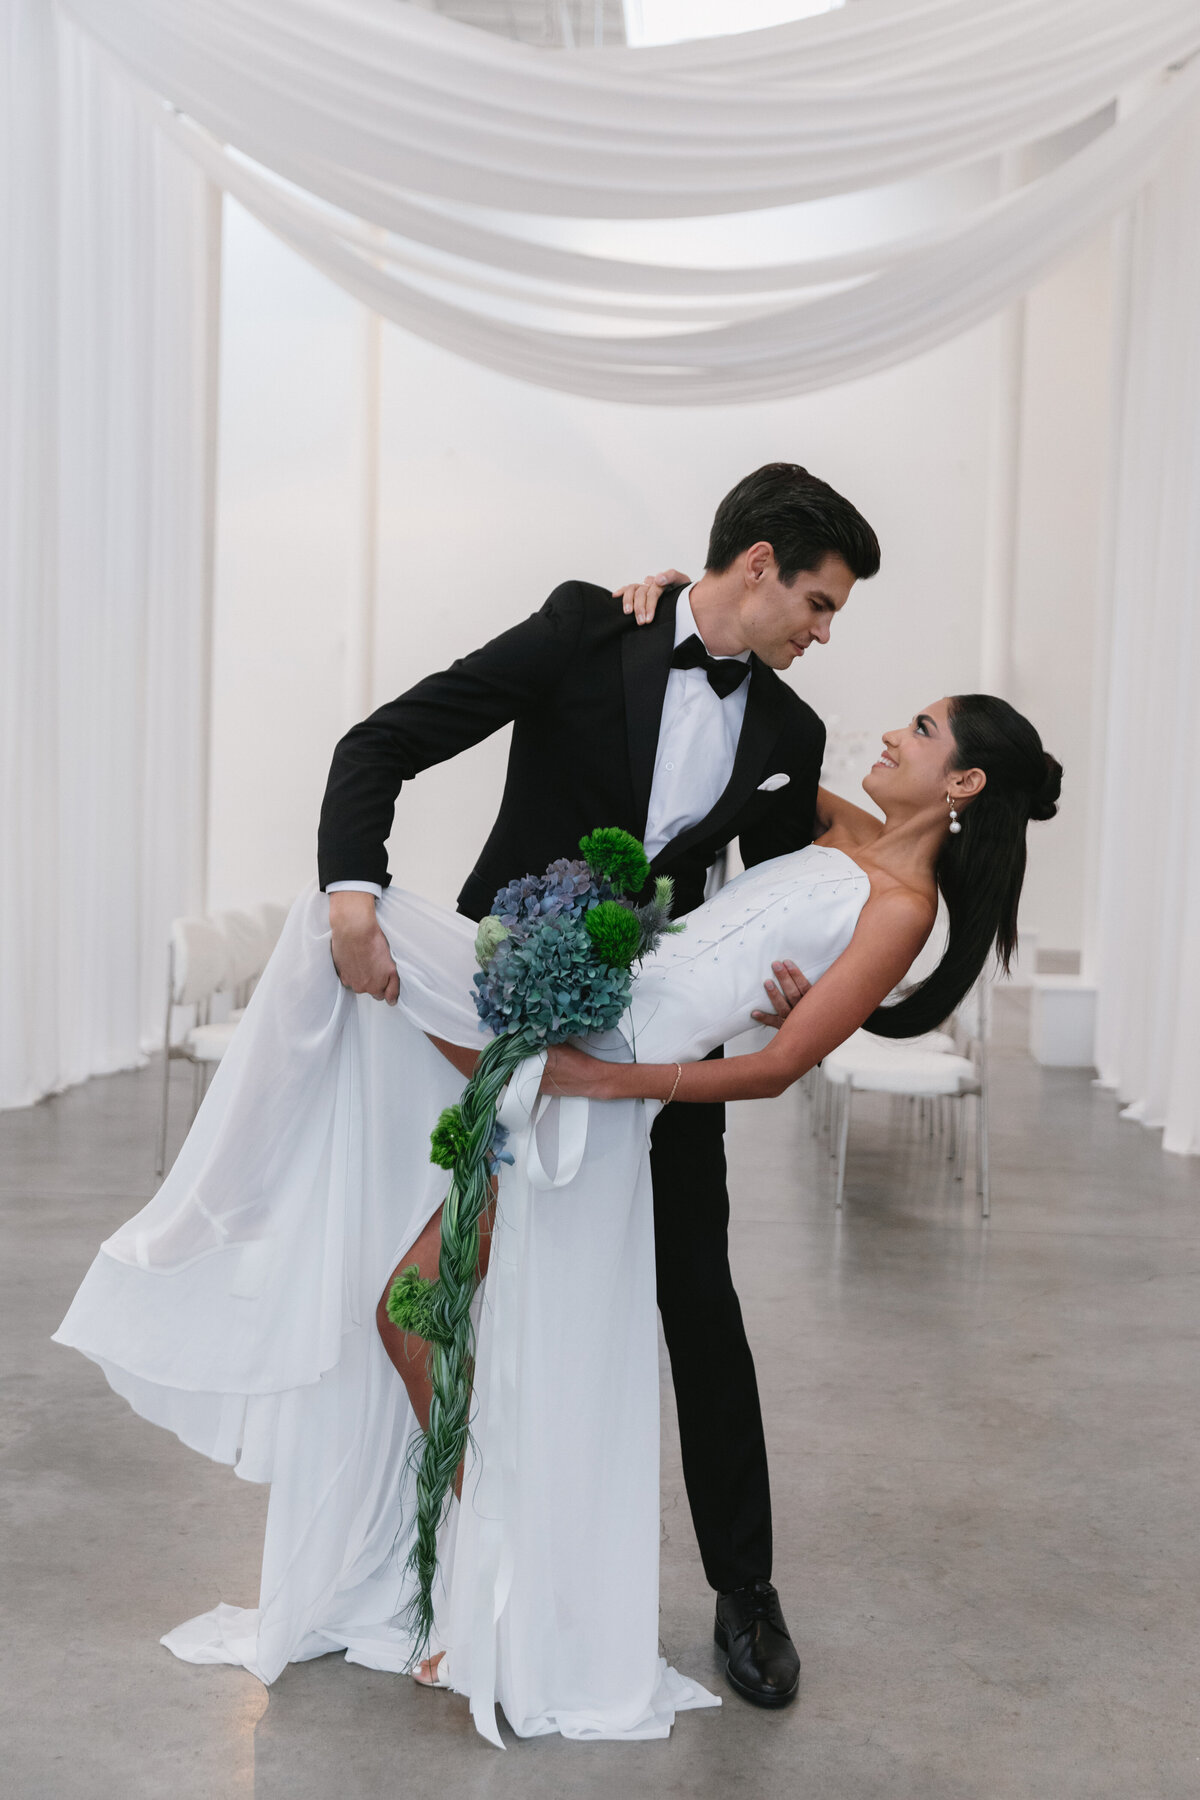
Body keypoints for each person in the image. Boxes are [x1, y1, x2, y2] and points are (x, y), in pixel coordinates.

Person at [54, 687, 1059, 1746]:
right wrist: (668, 623)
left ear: (963, 782)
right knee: (351, 966)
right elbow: (729, 764)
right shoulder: (850, 830)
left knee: (429, 1301)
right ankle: (470, 1582)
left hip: (609, 1065)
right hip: (585, 1013)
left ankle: (488, 1594)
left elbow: (777, 1068)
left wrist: (608, 1082)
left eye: (922, 731)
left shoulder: (903, 908)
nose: (893, 733)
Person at [321, 463, 881, 1711]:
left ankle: (746, 1591)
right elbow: (384, 741)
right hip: (498, 1017)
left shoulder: (787, 733)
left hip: (656, 1050)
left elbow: (762, 903)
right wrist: (352, 893)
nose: (824, 632)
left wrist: (783, 994)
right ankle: (463, 1556)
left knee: (699, 1295)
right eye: (820, 603)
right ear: (759, 565)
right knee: (439, 1286)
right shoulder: (588, 627)